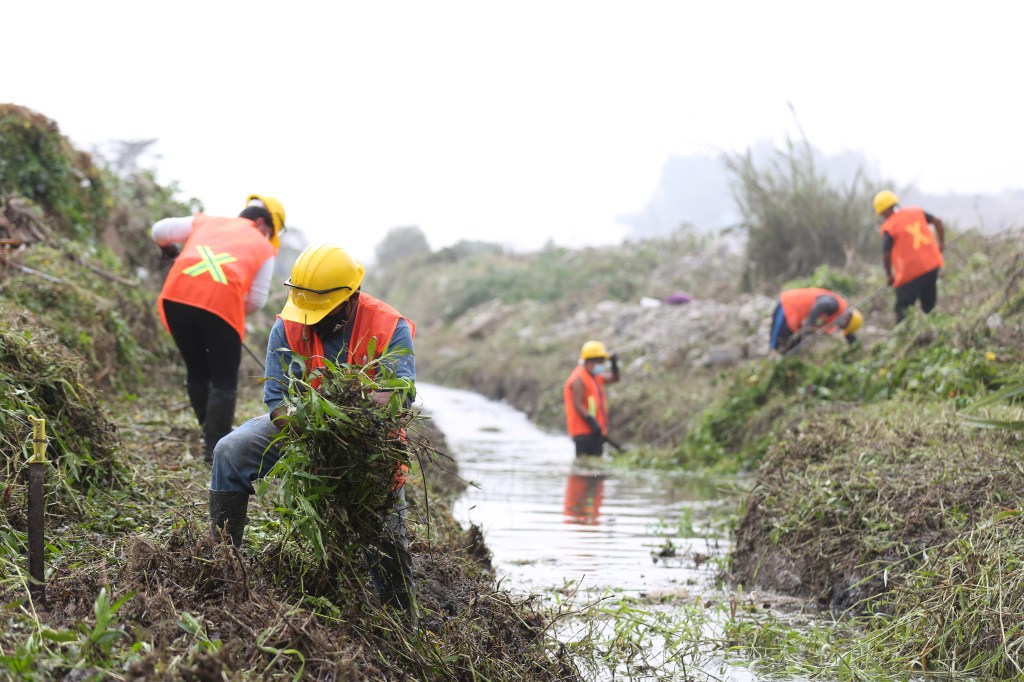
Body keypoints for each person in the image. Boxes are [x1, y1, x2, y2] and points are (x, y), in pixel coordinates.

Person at [208, 242, 417, 619]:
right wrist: (313, 430)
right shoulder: (287, 324)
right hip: (302, 430)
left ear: (350, 299)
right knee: (230, 451)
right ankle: (223, 571)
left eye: (321, 311)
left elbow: (401, 394)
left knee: (388, 543)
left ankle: (402, 619)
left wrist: (355, 408)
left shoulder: (388, 326)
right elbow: (276, 401)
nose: (310, 321)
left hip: (370, 443)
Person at [152, 194, 285, 462]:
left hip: (176, 298)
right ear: (262, 223)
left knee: (197, 369)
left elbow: (159, 230)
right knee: (223, 378)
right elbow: (257, 299)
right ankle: (216, 446)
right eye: (270, 233)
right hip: (220, 308)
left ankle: (210, 434)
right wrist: (229, 309)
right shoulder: (262, 245)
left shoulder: (206, 221)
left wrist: (169, 250)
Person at [873, 189, 945, 323]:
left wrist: (889, 275)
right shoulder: (916, 212)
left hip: (910, 273)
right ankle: (933, 328)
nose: (882, 215)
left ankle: (903, 333)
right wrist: (941, 244)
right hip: (931, 265)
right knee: (929, 305)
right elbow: (938, 222)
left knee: (902, 307)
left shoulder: (889, 226)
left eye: (881, 213)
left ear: (884, 210)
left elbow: (886, 254)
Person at [563, 340, 620, 457]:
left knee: (595, 464)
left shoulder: (595, 377)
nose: (601, 365)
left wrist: (614, 364)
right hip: (583, 433)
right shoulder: (578, 378)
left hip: (595, 431)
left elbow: (615, 378)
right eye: (600, 362)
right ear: (589, 361)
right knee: (585, 464)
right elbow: (578, 404)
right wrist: (592, 423)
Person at [769, 287, 863, 354]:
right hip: (787, 307)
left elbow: (848, 335)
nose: (842, 323)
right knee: (778, 346)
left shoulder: (836, 318)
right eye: (846, 320)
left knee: (791, 349)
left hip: (795, 320)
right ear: (848, 314)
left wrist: (856, 348)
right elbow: (820, 304)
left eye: (843, 325)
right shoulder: (835, 304)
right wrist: (809, 328)